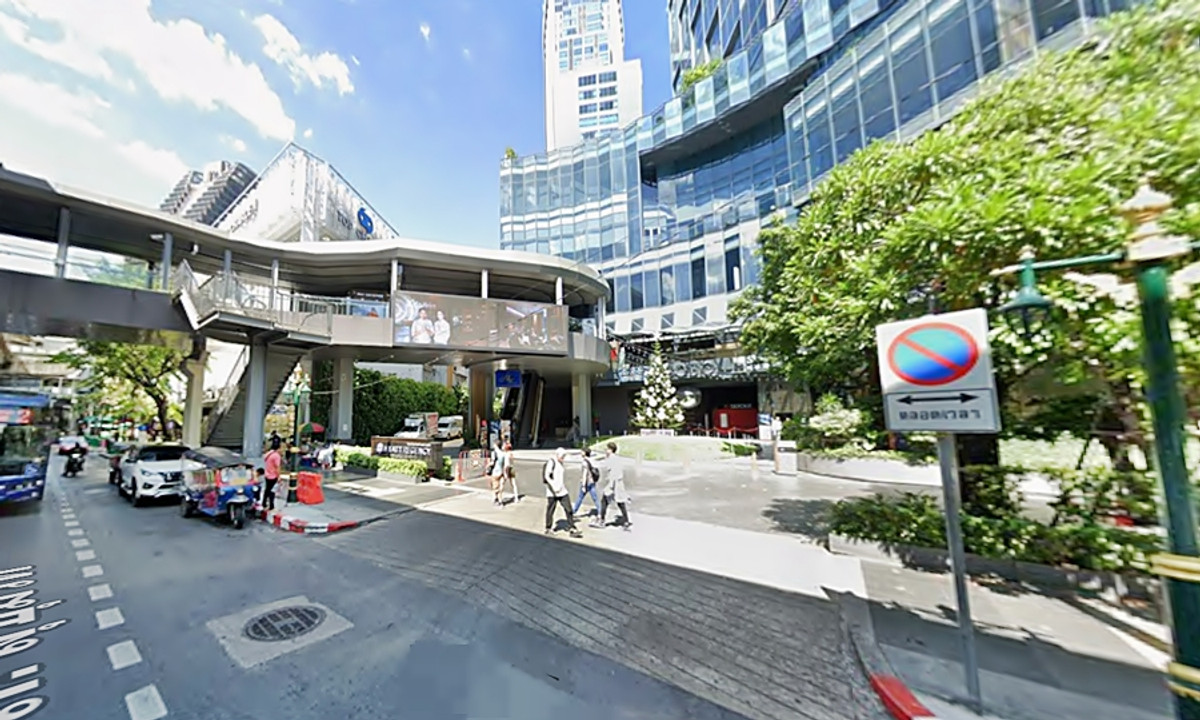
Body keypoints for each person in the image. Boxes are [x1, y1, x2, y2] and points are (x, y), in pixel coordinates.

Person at [543, 447, 581, 537]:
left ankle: (572, 527)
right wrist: (554, 486)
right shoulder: (551, 462)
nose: (563, 458)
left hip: (562, 490)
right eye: (562, 456)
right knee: (551, 509)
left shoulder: (560, 463)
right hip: (552, 491)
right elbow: (546, 476)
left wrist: (560, 487)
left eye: (564, 456)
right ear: (557, 455)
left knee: (569, 509)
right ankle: (548, 528)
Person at [600, 441, 631, 530]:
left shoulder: (611, 459)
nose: (606, 451)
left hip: (613, 484)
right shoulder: (617, 458)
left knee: (604, 501)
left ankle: (602, 521)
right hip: (618, 483)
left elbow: (612, 473)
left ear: (610, 450)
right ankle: (626, 521)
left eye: (607, 449)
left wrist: (611, 486)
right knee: (620, 502)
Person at [572, 447, 603, 527]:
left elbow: (585, 474)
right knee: (595, 498)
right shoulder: (592, 460)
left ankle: (573, 512)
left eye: (582, 451)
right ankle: (600, 512)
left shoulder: (584, 462)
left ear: (585, 453)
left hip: (586, 483)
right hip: (592, 482)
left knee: (580, 497)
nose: (581, 453)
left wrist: (583, 485)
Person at [262, 437, 283, 510]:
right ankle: (271, 505)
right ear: (279, 448)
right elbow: (277, 467)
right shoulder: (276, 456)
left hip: (267, 474)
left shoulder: (268, 453)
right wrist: (279, 476)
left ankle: (264, 503)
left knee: (267, 490)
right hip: (273, 476)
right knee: (272, 491)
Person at [488, 439, 507, 506]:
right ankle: (498, 499)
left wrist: (487, 465)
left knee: (495, 487)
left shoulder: (494, 453)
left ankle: (498, 500)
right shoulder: (503, 453)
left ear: (496, 445)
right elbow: (504, 464)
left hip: (495, 472)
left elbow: (492, 463)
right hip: (501, 472)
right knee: (500, 487)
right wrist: (505, 473)